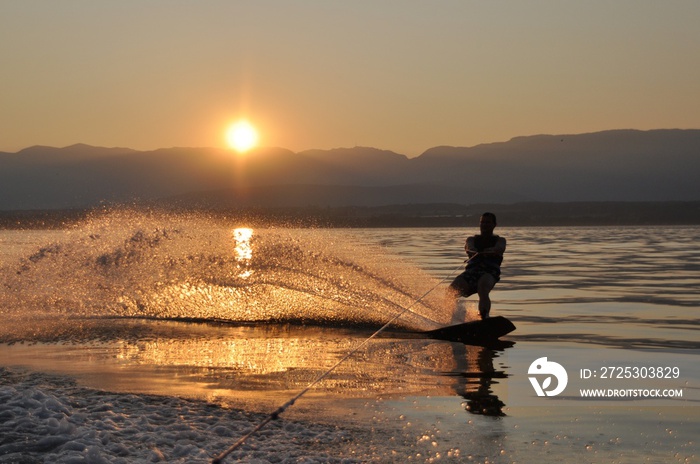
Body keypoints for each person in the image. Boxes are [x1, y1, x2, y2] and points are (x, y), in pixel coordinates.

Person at [449, 212, 506, 319]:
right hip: (471, 272)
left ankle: (484, 317)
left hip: (489, 272)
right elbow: (468, 246)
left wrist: (492, 250)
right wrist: (472, 250)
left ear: (494, 225)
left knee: (483, 287)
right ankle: (455, 317)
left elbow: (500, 248)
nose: (484, 225)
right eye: (482, 222)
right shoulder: (471, 239)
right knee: (451, 291)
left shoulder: (500, 240)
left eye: (488, 222)